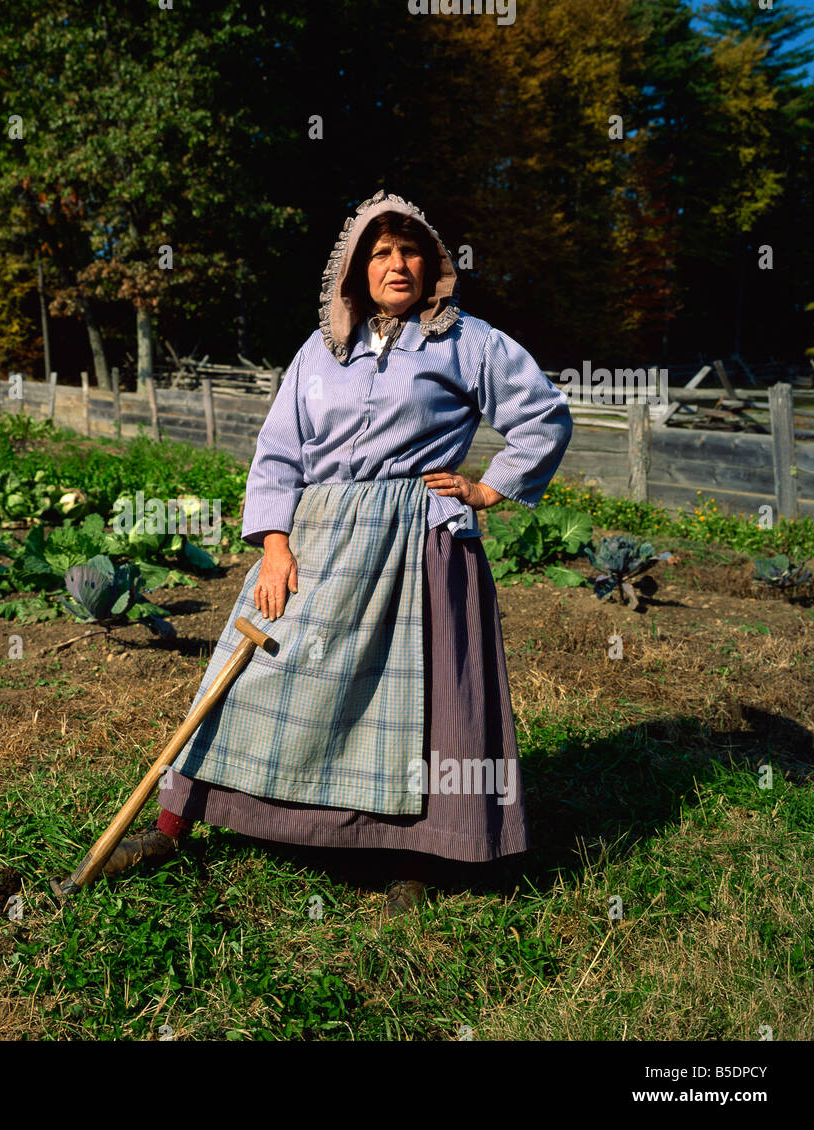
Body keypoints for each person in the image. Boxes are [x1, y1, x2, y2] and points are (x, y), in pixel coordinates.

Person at [100, 189, 573, 914]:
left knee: (419, 703)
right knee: (250, 670)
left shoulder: (466, 341)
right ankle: (171, 826)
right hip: (316, 538)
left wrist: (487, 490)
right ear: (354, 267)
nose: (397, 263)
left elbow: (543, 416)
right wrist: (276, 546)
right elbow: (278, 452)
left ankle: (418, 856)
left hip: (417, 544)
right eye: (380, 252)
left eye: (410, 249)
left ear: (433, 263)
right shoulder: (320, 352)